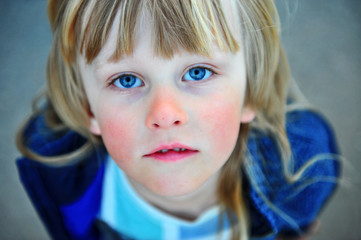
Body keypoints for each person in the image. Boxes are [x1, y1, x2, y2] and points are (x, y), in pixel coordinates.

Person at [16, 0, 340, 239]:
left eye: (197, 72)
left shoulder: (297, 177)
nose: (165, 115)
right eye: (126, 80)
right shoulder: (58, 167)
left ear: (251, 92)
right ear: (87, 106)